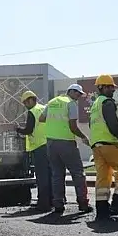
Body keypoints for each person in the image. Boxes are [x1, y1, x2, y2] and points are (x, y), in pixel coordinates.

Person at [39, 84, 92, 214]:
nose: (79, 97)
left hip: (51, 143)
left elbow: (41, 118)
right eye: (78, 94)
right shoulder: (70, 103)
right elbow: (73, 126)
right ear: (71, 92)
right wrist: (84, 137)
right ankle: (83, 203)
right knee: (78, 173)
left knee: (57, 174)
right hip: (66, 143)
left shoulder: (52, 102)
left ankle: (58, 204)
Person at [88, 75, 118, 221]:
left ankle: (102, 210)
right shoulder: (107, 103)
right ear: (102, 87)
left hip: (97, 146)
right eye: (110, 87)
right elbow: (113, 125)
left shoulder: (95, 105)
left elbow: (91, 125)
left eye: (113, 87)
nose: (113, 90)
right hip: (109, 143)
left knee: (103, 177)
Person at [14, 90, 51, 211]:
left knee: (42, 176)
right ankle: (53, 200)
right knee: (51, 174)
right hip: (49, 144)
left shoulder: (32, 112)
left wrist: (18, 129)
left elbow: (29, 130)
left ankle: (43, 203)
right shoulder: (44, 108)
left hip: (39, 146)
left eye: (25, 102)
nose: (25, 105)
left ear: (31, 100)